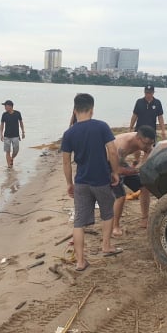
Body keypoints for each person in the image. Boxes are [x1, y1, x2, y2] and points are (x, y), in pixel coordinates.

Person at [61, 93, 121, 272]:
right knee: (107, 213)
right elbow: (112, 151)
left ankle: (80, 261)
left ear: (74, 110)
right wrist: (115, 172)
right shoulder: (101, 126)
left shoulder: (69, 133)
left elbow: (65, 162)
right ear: (92, 109)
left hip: (81, 182)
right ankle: (106, 246)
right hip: (101, 179)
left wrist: (69, 183)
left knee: (79, 221)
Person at [111, 125, 156, 236]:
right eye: (145, 143)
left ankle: (145, 219)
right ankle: (115, 226)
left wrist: (139, 166)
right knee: (120, 195)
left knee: (144, 186)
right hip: (108, 163)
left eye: (150, 143)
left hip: (121, 162)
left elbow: (147, 154)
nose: (148, 146)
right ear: (137, 138)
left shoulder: (146, 143)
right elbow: (117, 169)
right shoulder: (123, 145)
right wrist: (135, 170)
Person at [0, 99, 25, 168]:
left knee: (16, 150)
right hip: (6, 136)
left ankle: (12, 158)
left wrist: (23, 132)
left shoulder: (17, 113)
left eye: (5, 106)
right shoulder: (4, 114)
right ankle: (9, 167)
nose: (5, 107)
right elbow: (2, 125)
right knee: (7, 151)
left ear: (10, 106)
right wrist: (1, 134)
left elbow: (21, 123)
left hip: (16, 136)